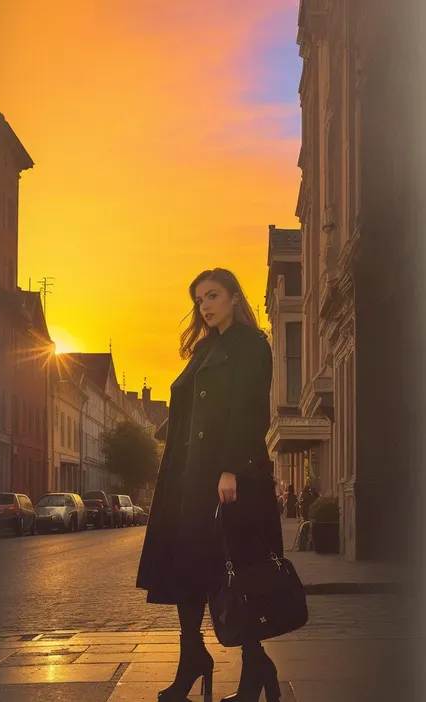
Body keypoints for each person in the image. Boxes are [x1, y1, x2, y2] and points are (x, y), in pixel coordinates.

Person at [136, 268, 283, 702]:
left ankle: (256, 665)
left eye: (213, 295)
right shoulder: (205, 349)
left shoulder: (251, 345)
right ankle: (193, 658)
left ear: (235, 297)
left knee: (234, 573)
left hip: (226, 480)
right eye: (200, 299)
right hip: (188, 479)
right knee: (187, 574)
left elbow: (249, 410)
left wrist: (230, 468)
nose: (205, 305)